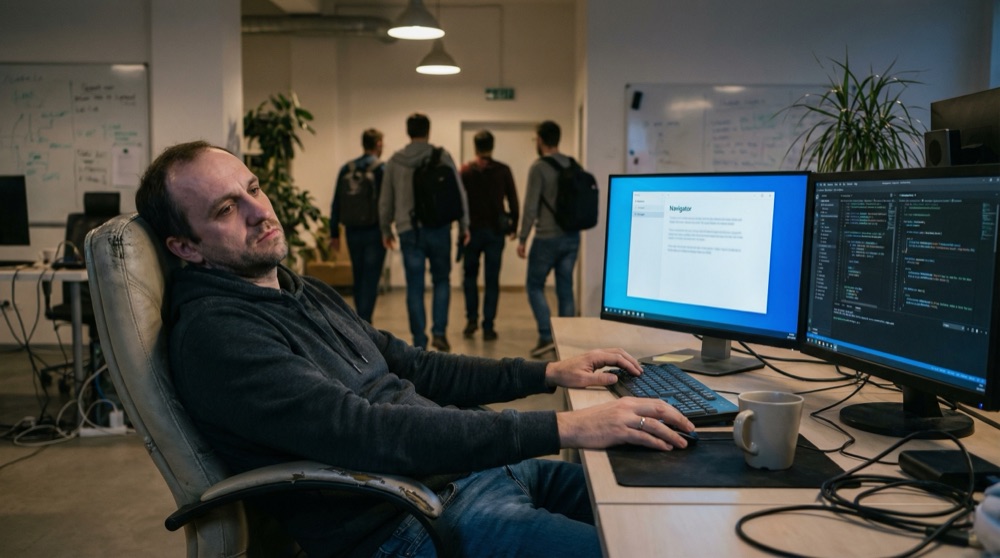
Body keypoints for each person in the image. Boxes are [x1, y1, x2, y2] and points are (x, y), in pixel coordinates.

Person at [135, 141, 695, 558]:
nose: (260, 211)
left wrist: (547, 372)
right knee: (643, 549)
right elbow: (368, 433)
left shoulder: (298, 289)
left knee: (675, 512)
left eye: (254, 189)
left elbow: (414, 365)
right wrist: (566, 427)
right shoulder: (219, 336)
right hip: (414, 517)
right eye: (225, 209)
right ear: (185, 247)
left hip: (471, 474)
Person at [380, 113, 469, 351]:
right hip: (439, 228)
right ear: (428, 131)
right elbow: (459, 194)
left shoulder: (395, 161)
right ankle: (439, 333)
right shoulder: (442, 156)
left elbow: (385, 200)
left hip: (409, 230)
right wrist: (464, 226)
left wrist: (385, 229)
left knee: (415, 286)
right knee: (442, 280)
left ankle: (419, 341)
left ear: (408, 131)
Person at [518, 120, 580, 358]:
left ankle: (546, 336)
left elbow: (530, 206)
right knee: (565, 286)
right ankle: (566, 340)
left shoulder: (539, 167)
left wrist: (523, 237)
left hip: (546, 238)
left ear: (541, 140)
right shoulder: (573, 164)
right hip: (572, 237)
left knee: (534, 285)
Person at [459, 130, 519, 341]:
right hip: (495, 233)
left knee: (469, 278)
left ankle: (471, 321)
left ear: (475, 147)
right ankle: (488, 326)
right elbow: (513, 200)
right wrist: (514, 226)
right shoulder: (503, 170)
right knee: (491, 280)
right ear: (492, 147)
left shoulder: (465, 171)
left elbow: (459, 202)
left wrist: (461, 228)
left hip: (472, 233)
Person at [329, 128, 386, 323]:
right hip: (375, 231)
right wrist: (388, 230)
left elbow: (336, 202)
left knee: (358, 276)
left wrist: (334, 232)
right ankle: (365, 321)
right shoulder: (381, 169)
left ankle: (360, 320)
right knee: (371, 278)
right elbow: (386, 203)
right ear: (378, 144)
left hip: (352, 231)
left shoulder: (347, 168)